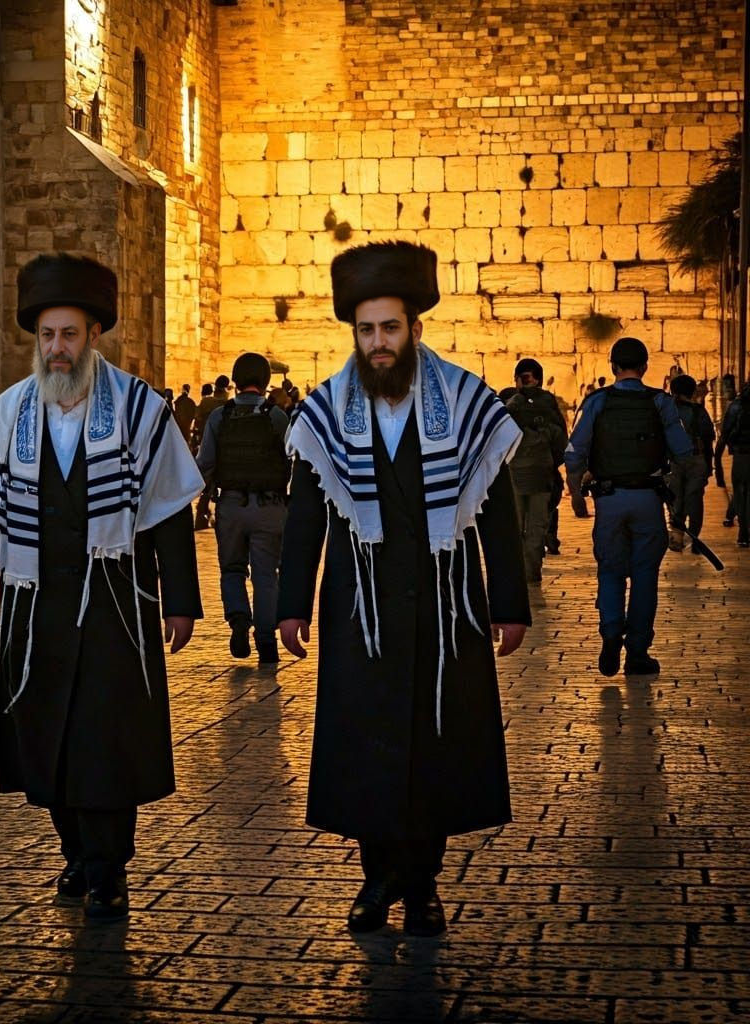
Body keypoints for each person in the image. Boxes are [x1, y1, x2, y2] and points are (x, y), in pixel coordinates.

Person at [276, 241, 530, 938]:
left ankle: (423, 887)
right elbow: (306, 518)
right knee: (366, 749)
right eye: (367, 330)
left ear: (415, 329)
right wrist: (291, 605)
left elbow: (497, 515)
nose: (379, 343)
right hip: (360, 613)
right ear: (354, 335)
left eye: (390, 328)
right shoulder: (326, 411)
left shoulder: (467, 401)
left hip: (448, 610)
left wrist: (508, 605)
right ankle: (375, 880)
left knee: (437, 749)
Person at [0, 252, 204, 921]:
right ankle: (75, 852)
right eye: (46, 336)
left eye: (69, 334)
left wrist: (180, 601)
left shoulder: (138, 409)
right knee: (46, 740)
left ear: (94, 335)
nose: (57, 347)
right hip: (33, 605)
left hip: (116, 604)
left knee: (108, 740)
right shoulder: (6, 415)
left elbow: (167, 513)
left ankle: (107, 868)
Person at [565, 337, 697, 677]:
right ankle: (637, 652)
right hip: (647, 500)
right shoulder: (660, 403)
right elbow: (683, 452)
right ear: (645, 368)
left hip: (608, 500)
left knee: (609, 571)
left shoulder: (597, 402)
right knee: (644, 576)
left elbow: (574, 451)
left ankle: (611, 633)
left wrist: (577, 488)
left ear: (613, 368)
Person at [196, 352, 290, 665]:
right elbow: (291, 459)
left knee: (232, 569)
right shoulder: (277, 417)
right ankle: (266, 639)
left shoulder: (219, 417)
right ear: (265, 381)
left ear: (236, 380)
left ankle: (238, 620)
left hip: (232, 505)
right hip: (269, 506)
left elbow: (205, 465)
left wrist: (204, 502)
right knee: (266, 576)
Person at [499, 359, 567, 582]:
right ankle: (532, 573)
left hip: (515, 475)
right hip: (542, 474)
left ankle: (516, 574)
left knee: (515, 527)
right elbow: (561, 442)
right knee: (537, 527)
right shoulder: (549, 404)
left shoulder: (509, 405)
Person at [665, 374, 714, 552]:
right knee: (695, 501)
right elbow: (708, 439)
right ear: (692, 391)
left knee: (674, 500)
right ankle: (694, 540)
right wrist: (709, 465)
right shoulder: (699, 411)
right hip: (696, 459)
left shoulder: (666, 410)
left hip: (673, 462)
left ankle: (677, 537)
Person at [192, 375, 231, 529]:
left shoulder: (206, 402)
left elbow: (198, 418)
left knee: (207, 479)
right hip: (224, 447)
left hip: (206, 442)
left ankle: (202, 510)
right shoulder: (228, 404)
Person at [715, 379, 750, 548]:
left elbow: (725, 433)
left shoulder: (737, 405)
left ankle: (743, 533)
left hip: (741, 456)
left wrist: (717, 460)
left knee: (741, 494)